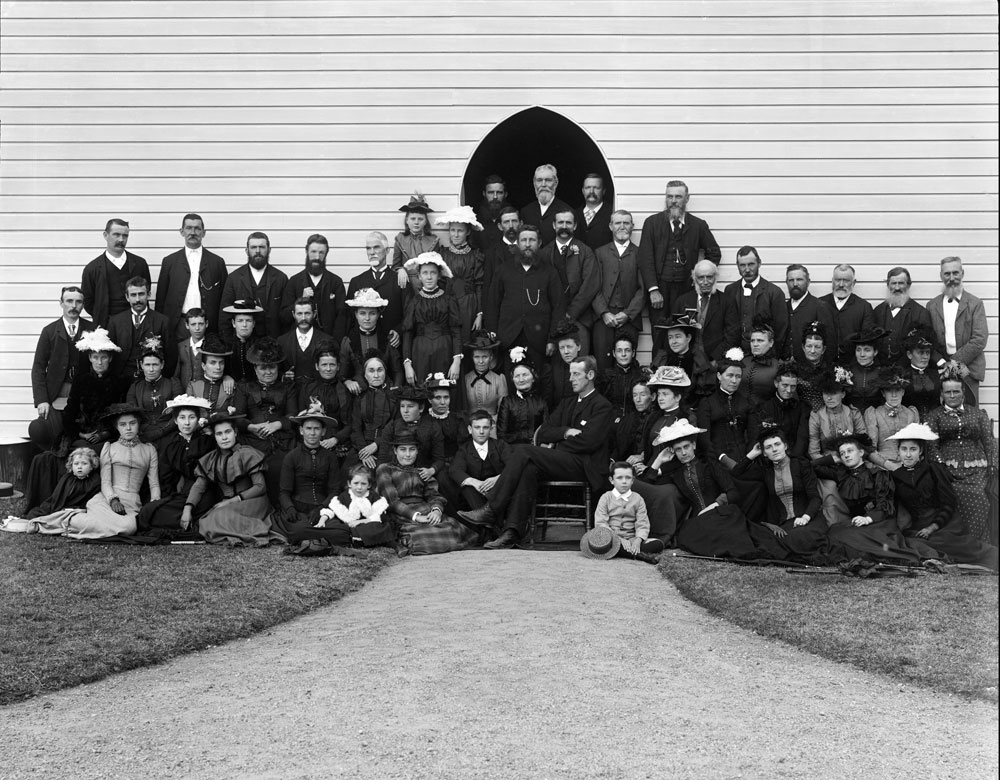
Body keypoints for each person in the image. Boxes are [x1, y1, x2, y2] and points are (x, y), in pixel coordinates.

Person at [458, 356, 614, 549]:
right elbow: (544, 432)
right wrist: (565, 432)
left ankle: (492, 508)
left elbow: (589, 442)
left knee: (524, 450)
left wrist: (558, 443)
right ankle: (512, 532)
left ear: (590, 375)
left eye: (576, 374)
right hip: (563, 461)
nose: (570, 378)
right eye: (570, 373)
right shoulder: (567, 403)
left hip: (586, 466)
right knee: (529, 468)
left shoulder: (602, 406)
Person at [656, 420, 783, 560]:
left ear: (694, 445)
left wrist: (713, 506)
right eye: (678, 449)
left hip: (721, 513)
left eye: (686, 446)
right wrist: (659, 461)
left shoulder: (710, 465)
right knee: (687, 536)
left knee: (728, 535)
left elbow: (733, 492)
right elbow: (645, 484)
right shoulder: (675, 473)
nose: (683, 452)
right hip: (696, 521)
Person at [887, 422, 998, 569]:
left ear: (920, 451)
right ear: (898, 451)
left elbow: (949, 503)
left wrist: (932, 527)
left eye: (913, 449)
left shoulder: (933, 469)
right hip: (917, 528)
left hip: (943, 524)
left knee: (959, 547)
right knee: (911, 545)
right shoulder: (895, 476)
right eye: (904, 449)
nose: (908, 454)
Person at [812, 433, 936, 564]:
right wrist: (834, 458)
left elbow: (885, 506)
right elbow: (812, 465)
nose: (846, 455)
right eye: (842, 453)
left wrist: (868, 519)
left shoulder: (878, 474)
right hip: (857, 523)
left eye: (850, 451)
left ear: (861, 452)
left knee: (851, 538)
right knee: (835, 532)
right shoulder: (841, 474)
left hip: (880, 522)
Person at [637, 180, 722, 353]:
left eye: (678, 196)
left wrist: (699, 279)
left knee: (685, 332)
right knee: (660, 334)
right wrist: (653, 289)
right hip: (660, 289)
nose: (673, 201)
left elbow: (714, 252)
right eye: (670, 196)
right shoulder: (652, 223)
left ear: (687, 198)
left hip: (687, 289)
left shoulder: (698, 225)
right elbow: (645, 259)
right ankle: (660, 372)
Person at [63, 404, 161, 539]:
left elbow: (154, 484)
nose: (128, 428)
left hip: (132, 502)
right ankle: (72, 520)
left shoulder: (149, 450)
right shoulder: (109, 448)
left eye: (132, 423)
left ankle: (76, 525)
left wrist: (154, 505)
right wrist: (113, 500)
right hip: (106, 499)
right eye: (122, 424)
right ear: (117, 427)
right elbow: (106, 480)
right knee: (107, 520)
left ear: (138, 424)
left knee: (129, 527)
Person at [732, 428, 830, 562]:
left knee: (801, 537)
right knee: (769, 539)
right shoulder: (765, 471)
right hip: (783, 524)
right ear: (764, 453)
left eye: (777, 444)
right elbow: (737, 473)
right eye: (768, 447)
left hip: (809, 519)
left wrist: (805, 518)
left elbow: (815, 497)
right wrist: (753, 453)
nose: (774, 449)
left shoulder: (801, 465)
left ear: (785, 446)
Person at [181, 412, 275, 547]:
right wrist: (187, 509)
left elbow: (260, 487)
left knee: (218, 517)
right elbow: (199, 486)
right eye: (219, 434)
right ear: (214, 436)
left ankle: (243, 533)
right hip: (226, 504)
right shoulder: (211, 459)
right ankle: (233, 535)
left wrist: (232, 501)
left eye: (228, 432)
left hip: (252, 502)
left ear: (235, 433)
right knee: (205, 521)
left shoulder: (247, 453)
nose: (224, 437)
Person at [376, 430, 476, 556]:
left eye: (412, 449)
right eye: (403, 449)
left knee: (454, 530)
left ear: (417, 451)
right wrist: (416, 516)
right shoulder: (385, 469)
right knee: (421, 537)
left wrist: (436, 511)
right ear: (395, 451)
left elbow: (434, 496)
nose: (407, 454)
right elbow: (392, 501)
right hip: (402, 515)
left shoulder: (422, 472)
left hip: (425, 511)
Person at [925, 373, 998, 543]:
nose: (952, 396)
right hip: (948, 468)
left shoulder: (978, 414)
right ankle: (958, 543)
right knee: (954, 494)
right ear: (941, 394)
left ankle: (978, 543)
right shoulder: (934, 416)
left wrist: (992, 464)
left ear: (963, 393)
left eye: (956, 392)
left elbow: (989, 441)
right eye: (948, 392)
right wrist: (941, 467)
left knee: (978, 494)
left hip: (977, 468)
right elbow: (932, 445)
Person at [484, 224, 566, 368]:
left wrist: (552, 339)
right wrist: (493, 337)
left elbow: (558, 307)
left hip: (538, 341)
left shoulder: (549, 272)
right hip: (508, 338)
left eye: (532, 240)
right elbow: (492, 304)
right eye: (523, 240)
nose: (527, 245)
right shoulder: (503, 270)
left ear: (539, 243)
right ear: (517, 243)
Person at [135, 395, 216, 536]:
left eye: (191, 417)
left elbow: (206, 477)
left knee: (203, 508)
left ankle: (195, 520)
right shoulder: (171, 445)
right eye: (182, 418)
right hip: (181, 494)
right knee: (148, 512)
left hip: (204, 492)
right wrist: (166, 498)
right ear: (175, 420)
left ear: (198, 419)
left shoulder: (207, 442)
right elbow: (166, 476)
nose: (187, 423)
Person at [29, 285, 96, 451]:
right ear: (61, 303)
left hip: (83, 394)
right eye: (69, 301)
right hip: (56, 394)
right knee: (51, 434)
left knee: (81, 438)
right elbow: (38, 367)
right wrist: (42, 400)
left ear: (83, 304)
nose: (74, 306)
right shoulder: (49, 331)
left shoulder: (93, 329)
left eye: (78, 302)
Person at [270, 403, 348, 546]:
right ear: (301, 430)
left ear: (323, 431)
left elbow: (334, 490)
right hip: (297, 509)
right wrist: (290, 508)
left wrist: (321, 508)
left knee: (342, 532)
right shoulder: (292, 457)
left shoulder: (330, 457)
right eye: (308, 428)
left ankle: (313, 537)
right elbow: (284, 492)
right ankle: (315, 537)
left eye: (316, 429)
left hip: (322, 508)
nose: (312, 433)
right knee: (298, 530)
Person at [231, 336, 295, 505]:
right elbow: (238, 418)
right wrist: (251, 427)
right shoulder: (244, 387)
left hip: (282, 441)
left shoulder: (287, 388)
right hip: (252, 441)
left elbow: (294, 416)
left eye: (272, 367)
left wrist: (277, 424)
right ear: (255, 368)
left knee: (282, 465)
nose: (268, 372)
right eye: (263, 368)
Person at [154, 213, 228, 339]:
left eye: (197, 228)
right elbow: (161, 299)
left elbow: (225, 299)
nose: (192, 232)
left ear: (204, 233)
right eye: (188, 228)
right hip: (178, 325)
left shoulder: (217, 262)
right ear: (182, 231)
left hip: (208, 326)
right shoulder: (169, 262)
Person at [538, 209, 600, 355]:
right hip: (552, 321)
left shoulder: (585, 252)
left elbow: (590, 286)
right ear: (554, 225)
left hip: (579, 318)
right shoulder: (544, 253)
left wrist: (570, 314)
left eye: (568, 223)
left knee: (580, 363)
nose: (564, 226)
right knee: (556, 366)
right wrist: (556, 317)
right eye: (560, 222)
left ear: (575, 226)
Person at [926, 256, 988, 403]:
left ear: (962, 273)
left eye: (955, 273)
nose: (952, 278)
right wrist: (942, 362)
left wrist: (953, 363)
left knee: (970, 414)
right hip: (940, 368)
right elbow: (927, 339)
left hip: (968, 369)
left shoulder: (975, 304)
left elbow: (979, 339)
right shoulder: (931, 305)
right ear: (941, 276)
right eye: (947, 274)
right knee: (941, 414)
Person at [1, 448, 101, 534]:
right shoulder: (67, 478)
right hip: (60, 507)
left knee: (75, 521)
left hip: (78, 511)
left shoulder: (94, 481)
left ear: (92, 466)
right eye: (76, 464)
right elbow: (57, 497)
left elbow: (92, 500)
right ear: (71, 466)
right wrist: (57, 508)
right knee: (34, 513)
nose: (79, 466)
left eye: (84, 463)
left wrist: (80, 510)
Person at [591, 209, 644, 370]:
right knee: (603, 363)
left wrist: (627, 314)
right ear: (611, 226)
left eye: (626, 223)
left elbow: (643, 289)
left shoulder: (640, 253)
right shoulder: (600, 253)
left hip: (629, 319)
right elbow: (593, 286)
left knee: (626, 364)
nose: (622, 227)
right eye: (618, 223)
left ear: (632, 226)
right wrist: (604, 313)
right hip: (603, 319)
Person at [671, 260, 738, 383]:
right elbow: (674, 331)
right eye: (701, 278)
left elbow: (732, 334)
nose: (705, 282)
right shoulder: (682, 301)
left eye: (709, 277)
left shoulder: (726, 302)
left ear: (715, 278)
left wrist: (716, 360)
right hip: (687, 362)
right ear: (694, 279)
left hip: (713, 363)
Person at [401, 251, 462, 384]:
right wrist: (407, 364)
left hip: (445, 351)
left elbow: (456, 332)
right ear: (419, 276)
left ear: (439, 275)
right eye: (425, 273)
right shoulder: (414, 302)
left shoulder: (449, 300)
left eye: (433, 273)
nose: (429, 277)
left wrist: (456, 361)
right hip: (420, 354)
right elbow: (408, 334)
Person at [81, 218, 150, 327]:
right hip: (106, 327)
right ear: (105, 235)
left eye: (125, 236)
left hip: (137, 325)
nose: (121, 239)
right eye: (116, 235)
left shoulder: (140, 264)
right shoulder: (92, 268)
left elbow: (146, 292)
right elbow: (87, 301)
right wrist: (101, 315)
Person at [219, 232, 288, 340]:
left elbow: (285, 315)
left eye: (262, 247)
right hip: (243, 343)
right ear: (247, 250)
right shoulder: (234, 278)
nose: (257, 251)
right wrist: (227, 342)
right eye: (253, 247)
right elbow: (225, 315)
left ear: (269, 250)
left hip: (273, 341)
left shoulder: (281, 278)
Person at [590, 462, 663, 564]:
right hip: (610, 537)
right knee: (599, 542)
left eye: (628, 478)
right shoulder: (606, 498)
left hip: (631, 539)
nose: (624, 482)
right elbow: (601, 523)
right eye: (619, 478)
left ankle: (624, 551)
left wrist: (638, 540)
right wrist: (618, 539)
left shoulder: (638, 499)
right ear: (612, 480)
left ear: (633, 480)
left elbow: (642, 522)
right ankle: (641, 556)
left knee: (658, 544)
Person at [722, 246, 788, 357]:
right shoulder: (730, 290)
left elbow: (781, 330)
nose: (747, 270)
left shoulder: (774, 292)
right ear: (737, 266)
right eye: (742, 265)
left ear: (759, 263)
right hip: (736, 355)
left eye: (751, 264)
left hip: (765, 356)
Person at [434, 206, 485, 347]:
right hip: (448, 304)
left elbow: (479, 285)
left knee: (466, 341)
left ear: (468, 232)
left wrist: (479, 313)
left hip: (469, 305)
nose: (455, 234)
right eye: (452, 230)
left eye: (460, 230)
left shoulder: (475, 256)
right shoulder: (443, 254)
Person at [279, 233, 346, 340]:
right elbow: (284, 317)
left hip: (327, 344)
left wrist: (335, 343)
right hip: (300, 342)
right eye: (313, 252)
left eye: (321, 252)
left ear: (326, 254)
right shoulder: (294, 281)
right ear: (306, 252)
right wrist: (302, 299)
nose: (317, 257)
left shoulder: (336, 282)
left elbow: (342, 318)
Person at [106, 276, 175, 380]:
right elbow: (110, 354)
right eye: (133, 295)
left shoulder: (162, 321)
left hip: (151, 379)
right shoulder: (115, 321)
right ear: (127, 297)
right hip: (121, 378)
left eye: (141, 294)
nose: (137, 299)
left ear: (148, 294)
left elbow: (171, 355)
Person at [449, 410, 514, 518]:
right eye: (477, 427)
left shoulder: (500, 445)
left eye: (485, 427)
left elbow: (513, 465)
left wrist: (498, 479)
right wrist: (476, 483)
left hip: (499, 491)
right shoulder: (464, 449)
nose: (481, 432)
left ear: (491, 429)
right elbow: (454, 470)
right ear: (470, 429)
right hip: (476, 495)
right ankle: (486, 522)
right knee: (467, 487)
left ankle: (490, 526)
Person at [340, 287, 405, 392]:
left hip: (385, 392)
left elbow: (397, 371)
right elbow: (343, 374)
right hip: (359, 392)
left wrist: (396, 388)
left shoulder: (388, 339)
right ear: (356, 314)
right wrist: (347, 381)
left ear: (378, 314)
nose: (367, 318)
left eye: (372, 313)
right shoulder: (348, 341)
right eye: (362, 313)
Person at [316, 463, 395, 548]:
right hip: (349, 526)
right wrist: (322, 520)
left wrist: (361, 521)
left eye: (363, 484)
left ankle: (359, 540)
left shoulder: (373, 496)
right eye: (356, 483)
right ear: (349, 484)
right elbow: (331, 510)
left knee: (383, 526)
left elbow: (379, 515)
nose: (359, 487)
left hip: (367, 524)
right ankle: (353, 539)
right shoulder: (344, 496)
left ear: (369, 485)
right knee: (333, 524)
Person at [346, 232, 407, 340]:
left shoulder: (399, 280)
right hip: (365, 342)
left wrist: (399, 331)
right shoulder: (356, 282)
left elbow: (409, 313)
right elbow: (349, 317)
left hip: (392, 343)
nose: (372, 252)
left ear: (387, 250)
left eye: (376, 247)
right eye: (368, 248)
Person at [297, 341, 354, 456]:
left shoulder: (344, 390)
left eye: (332, 365)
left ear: (338, 367)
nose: (328, 369)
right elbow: (299, 418)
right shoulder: (307, 388)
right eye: (324, 365)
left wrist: (336, 439)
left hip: (338, 443)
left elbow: (352, 424)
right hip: (310, 441)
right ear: (317, 366)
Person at [871, 266, 935, 365]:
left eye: (901, 283)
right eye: (893, 283)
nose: (897, 288)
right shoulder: (878, 311)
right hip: (880, 368)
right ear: (888, 285)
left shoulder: (920, 313)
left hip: (907, 371)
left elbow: (926, 345)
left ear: (909, 285)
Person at [747, 363, 811, 458]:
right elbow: (756, 439)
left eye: (793, 386)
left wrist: (793, 460)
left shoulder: (802, 408)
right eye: (785, 385)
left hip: (795, 458)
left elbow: (802, 438)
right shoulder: (762, 408)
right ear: (776, 383)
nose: (789, 390)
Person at [349, 354, 397, 471]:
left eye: (380, 370)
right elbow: (356, 427)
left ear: (385, 373)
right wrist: (364, 451)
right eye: (371, 371)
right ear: (365, 374)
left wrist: (376, 444)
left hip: (386, 444)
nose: (376, 375)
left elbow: (396, 425)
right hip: (362, 446)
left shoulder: (393, 397)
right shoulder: (359, 397)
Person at [819, 264, 874, 363]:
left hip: (853, 365)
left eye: (846, 280)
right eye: (837, 280)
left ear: (854, 283)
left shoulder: (864, 307)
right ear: (832, 281)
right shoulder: (820, 304)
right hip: (824, 365)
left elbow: (866, 340)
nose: (841, 284)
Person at [863, 367, 919, 463]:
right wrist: (887, 465)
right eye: (889, 391)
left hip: (908, 464)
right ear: (883, 393)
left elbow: (916, 446)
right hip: (883, 465)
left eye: (897, 390)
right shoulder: (874, 414)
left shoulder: (911, 413)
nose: (894, 395)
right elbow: (871, 449)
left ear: (903, 392)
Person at [496, 346, 548, 446]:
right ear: (513, 380)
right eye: (517, 376)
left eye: (525, 375)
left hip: (536, 450)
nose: (521, 380)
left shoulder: (541, 402)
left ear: (533, 377)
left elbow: (545, 431)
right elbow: (501, 435)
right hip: (513, 451)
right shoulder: (507, 402)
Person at [125, 348, 181, 442]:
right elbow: (132, 414)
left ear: (162, 365)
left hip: (169, 434)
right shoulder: (135, 387)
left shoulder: (173, 384)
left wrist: (161, 432)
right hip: (142, 435)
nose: (151, 369)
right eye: (147, 365)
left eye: (155, 365)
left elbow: (179, 413)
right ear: (141, 365)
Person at [276, 297, 333, 388]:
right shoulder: (282, 341)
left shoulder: (327, 340)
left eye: (307, 313)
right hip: (291, 393)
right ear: (293, 315)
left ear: (314, 314)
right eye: (299, 314)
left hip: (319, 392)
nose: (303, 318)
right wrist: (284, 375)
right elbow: (277, 370)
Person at [785, 264, 837, 363]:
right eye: (791, 280)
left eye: (799, 279)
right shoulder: (783, 307)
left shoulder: (820, 306)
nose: (795, 284)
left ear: (808, 282)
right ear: (786, 282)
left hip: (810, 369)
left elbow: (830, 343)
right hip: (786, 370)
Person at [392, 192, 440, 292]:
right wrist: (400, 270)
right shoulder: (400, 239)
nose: (416, 222)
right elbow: (395, 265)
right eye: (413, 219)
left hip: (427, 285)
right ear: (407, 220)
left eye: (420, 219)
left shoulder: (433, 241)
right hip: (406, 284)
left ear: (426, 221)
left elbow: (437, 267)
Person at [519, 164, 572, 247]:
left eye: (548, 180)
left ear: (556, 183)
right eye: (539, 180)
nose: (543, 184)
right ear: (534, 183)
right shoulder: (526, 211)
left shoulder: (567, 211)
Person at [597, 333, 647, 420]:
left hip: (635, 423)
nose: (623, 354)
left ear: (633, 353)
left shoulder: (641, 375)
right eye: (619, 351)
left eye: (627, 350)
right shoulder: (605, 376)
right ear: (614, 353)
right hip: (610, 424)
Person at [461, 331, 508, 423]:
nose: (481, 361)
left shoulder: (499, 379)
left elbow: (504, 411)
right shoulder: (465, 379)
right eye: (477, 357)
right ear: (472, 357)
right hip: (469, 426)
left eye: (484, 357)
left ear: (491, 357)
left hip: (492, 426)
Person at [901, 327, 944, 421]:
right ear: (909, 354)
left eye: (927, 353)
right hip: (910, 423)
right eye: (920, 353)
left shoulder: (937, 374)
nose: (925, 357)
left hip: (936, 422)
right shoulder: (902, 376)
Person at [186, 334, 236, 412]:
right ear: (203, 366)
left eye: (221, 363)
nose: (218, 367)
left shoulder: (231, 386)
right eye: (213, 363)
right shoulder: (193, 386)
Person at [844, 327, 888, 413]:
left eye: (867, 350)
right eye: (858, 350)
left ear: (875, 352)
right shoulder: (847, 371)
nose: (862, 354)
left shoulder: (883, 372)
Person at [738, 322, 781, 407]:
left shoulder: (778, 366)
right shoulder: (742, 362)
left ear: (771, 343)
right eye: (752, 341)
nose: (755, 344)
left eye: (760, 341)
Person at [794, 320, 833, 412]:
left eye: (817, 347)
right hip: (800, 416)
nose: (812, 351)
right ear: (803, 347)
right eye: (809, 346)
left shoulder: (831, 370)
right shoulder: (795, 369)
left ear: (823, 349)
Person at [612, 380, 655, 463]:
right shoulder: (628, 419)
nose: (638, 399)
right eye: (635, 395)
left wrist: (643, 455)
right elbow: (620, 445)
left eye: (643, 395)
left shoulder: (657, 418)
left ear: (653, 396)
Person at [221, 299, 262, 383]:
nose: (244, 325)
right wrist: (226, 376)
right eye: (240, 321)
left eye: (248, 321)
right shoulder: (226, 345)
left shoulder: (260, 345)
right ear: (233, 323)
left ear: (254, 323)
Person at [482, 206, 521, 295]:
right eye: (506, 222)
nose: (511, 226)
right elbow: (488, 285)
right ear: (500, 226)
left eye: (514, 221)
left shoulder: (528, 250)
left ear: (521, 223)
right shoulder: (491, 253)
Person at [547, 319, 583, 408]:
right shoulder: (552, 369)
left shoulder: (586, 367)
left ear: (578, 347)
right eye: (562, 348)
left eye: (569, 347)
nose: (566, 352)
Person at [573, 173, 613, 249]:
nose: (591, 191)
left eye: (596, 188)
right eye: (588, 187)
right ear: (583, 191)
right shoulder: (574, 214)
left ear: (603, 191)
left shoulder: (612, 213)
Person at [473, 174, 512, 249]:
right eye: (490, 192)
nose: (495, 197)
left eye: (499, 192)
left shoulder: (513, 218)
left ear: (505, 194)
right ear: (484, 194)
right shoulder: (475, 220)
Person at [176, 308, 209, 387]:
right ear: (187, 325)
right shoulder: (180, 347)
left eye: (200, 324)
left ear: (206, 324)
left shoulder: (211, 346)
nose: (197, 328)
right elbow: (175, 376)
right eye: (193, 324)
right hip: (184, 394)